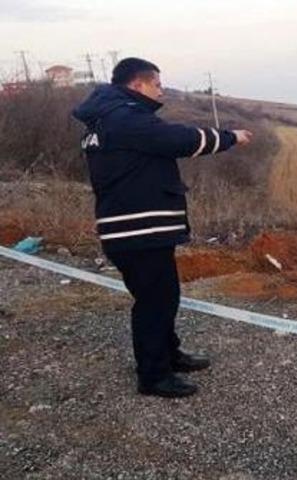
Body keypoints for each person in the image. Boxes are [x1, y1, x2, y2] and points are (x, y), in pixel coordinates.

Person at [72, 57, 253, 398]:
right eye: (156, 84)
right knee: (155, 301)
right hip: (137, 228)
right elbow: (177, 139)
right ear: (137, 85)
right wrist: (230, 137)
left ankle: (169, 355)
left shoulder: (107, 119)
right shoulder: (124, 118)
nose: (161, 90)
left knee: (160, 297)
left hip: (135, 227)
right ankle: (154, 376)